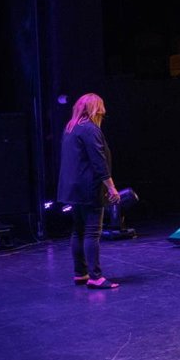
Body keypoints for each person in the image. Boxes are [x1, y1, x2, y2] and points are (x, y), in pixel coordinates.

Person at [57, 93, 123, 290]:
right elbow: (98, 161)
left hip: (72, 188)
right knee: (92, 232)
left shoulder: (71, 127)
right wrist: (111, 187)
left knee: (78, 230)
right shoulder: (90, 129)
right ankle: (95, 277)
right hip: (88, 188)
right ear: (97, 109)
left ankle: (81, 273)